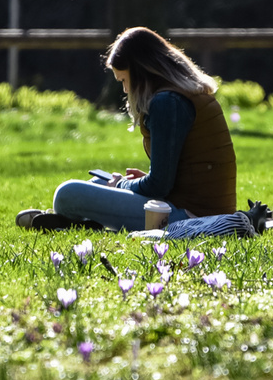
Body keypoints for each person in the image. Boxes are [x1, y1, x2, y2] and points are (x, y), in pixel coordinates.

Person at [16, 27, 237, 231]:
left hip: (191, 217)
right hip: (192, 207)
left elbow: (158, 186)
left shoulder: (167, 102)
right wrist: (134, 183)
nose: (124, 88)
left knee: (67, 194)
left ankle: (72, 220)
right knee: (99, 183)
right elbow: (178, 175)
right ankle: (76, 222)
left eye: (123, 79)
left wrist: (123, 184)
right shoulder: (183, 94)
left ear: (140, 72)